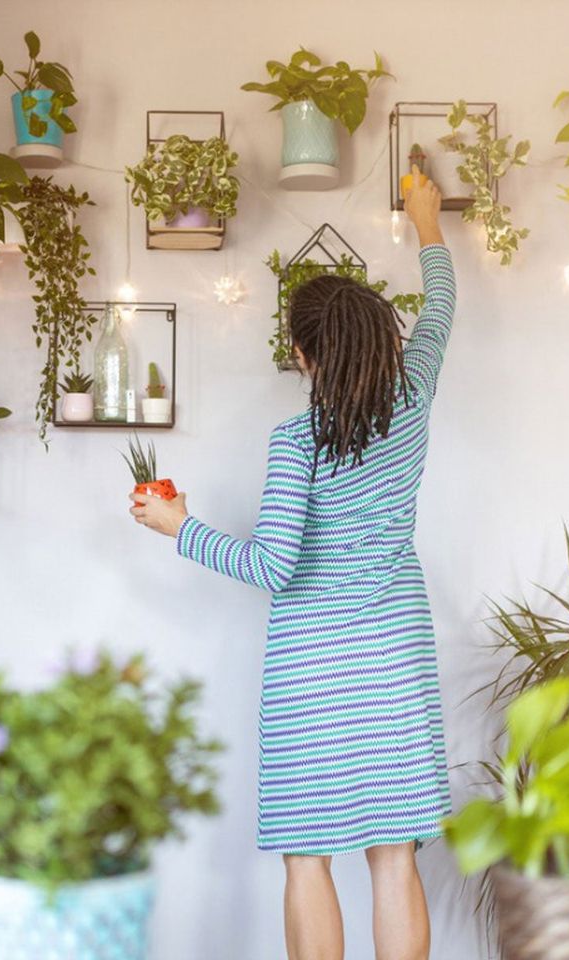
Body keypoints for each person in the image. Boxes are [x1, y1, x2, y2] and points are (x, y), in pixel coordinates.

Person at [130, 173, 454, 960]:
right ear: (383, 335)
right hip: (395, 655)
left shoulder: (296, 440)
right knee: (392, 852)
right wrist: (427, 222)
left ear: (305, 354)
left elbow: (274, 567)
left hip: (312, 669)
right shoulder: (416, 390)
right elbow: (441, 307)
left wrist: (181, 527)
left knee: (308, 856)